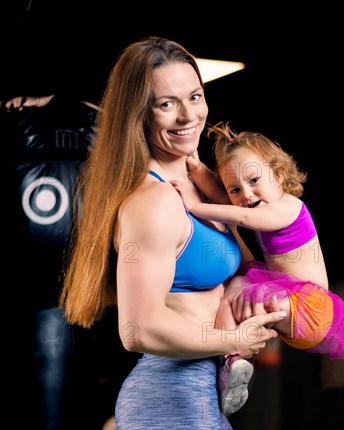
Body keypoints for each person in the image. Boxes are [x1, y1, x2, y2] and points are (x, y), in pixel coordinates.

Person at [58, 37, 287, 429]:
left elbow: (251, 273)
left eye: (195, 97)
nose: (188, 116)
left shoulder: (200, 183)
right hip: (172, 394)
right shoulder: (155, 202)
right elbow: (138, 329)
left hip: (198, 392)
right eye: (167, 104)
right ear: (138, 115)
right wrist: (233, 341)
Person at [171, 122, 344, 372]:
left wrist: (195, 206)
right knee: (231, 293)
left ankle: (239, 353)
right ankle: (230, 361)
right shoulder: (257, 203)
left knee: (242, 296)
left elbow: (241, 217)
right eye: (236, 189)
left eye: (254, 180)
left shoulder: (288, 207)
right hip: (286, 300)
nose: (247, 194)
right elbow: (225, 201)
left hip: (311, 308)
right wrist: (198, 169)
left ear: (277, 175)